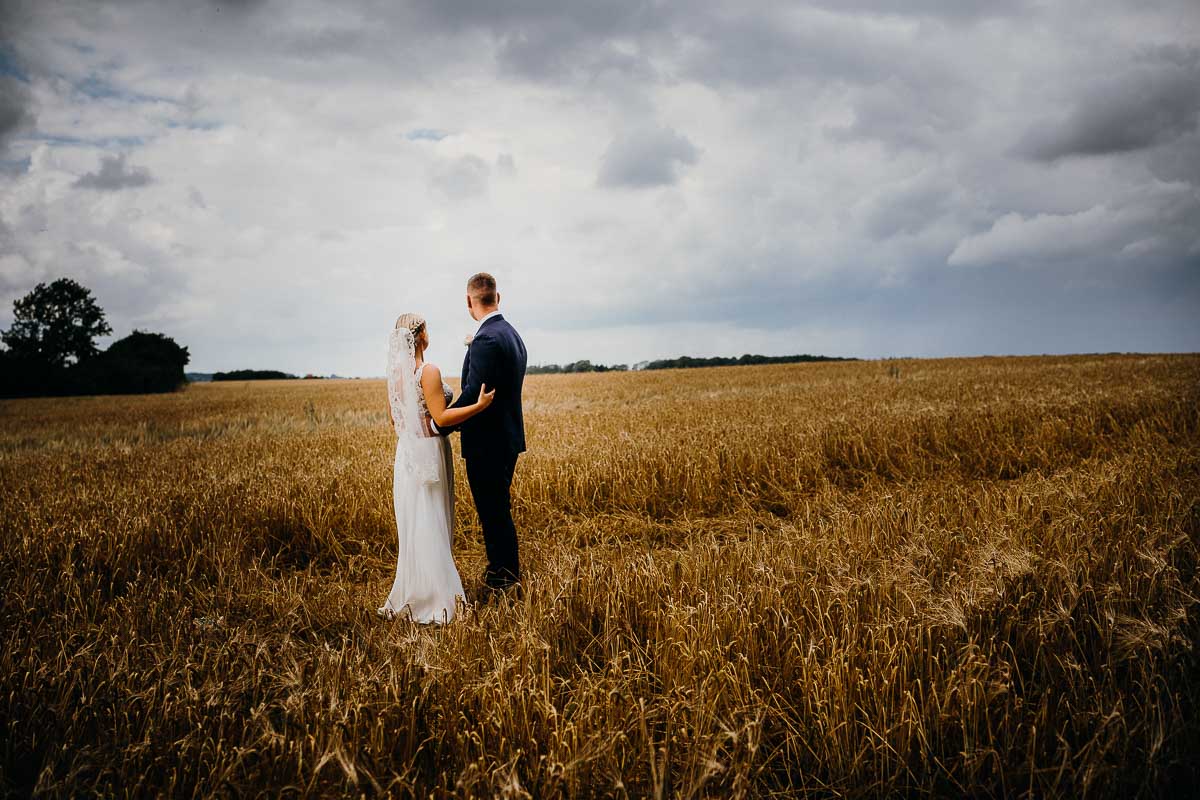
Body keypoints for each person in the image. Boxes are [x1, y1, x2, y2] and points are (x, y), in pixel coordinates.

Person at [378, 312, 494, 623]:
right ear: (420, 336)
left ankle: (416, 592)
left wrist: (418, 429)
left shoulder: (397, 375)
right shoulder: (428, 371)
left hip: (407, 454)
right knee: (432, 518)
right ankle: (438, 598)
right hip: (429, 451)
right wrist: (479, 407)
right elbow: (442, 419)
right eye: (427, 327)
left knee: (417, 520)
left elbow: (396, 421)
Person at [434, 273, 528, 598]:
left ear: (469, 301)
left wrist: (441, 424)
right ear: (497, 297)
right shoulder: (512, 334)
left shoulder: (487, 339)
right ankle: (503, 570)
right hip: (507, 439)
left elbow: (476, 392)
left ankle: (503, 575)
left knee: (493, 511)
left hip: (488, 443)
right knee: (497, 507)